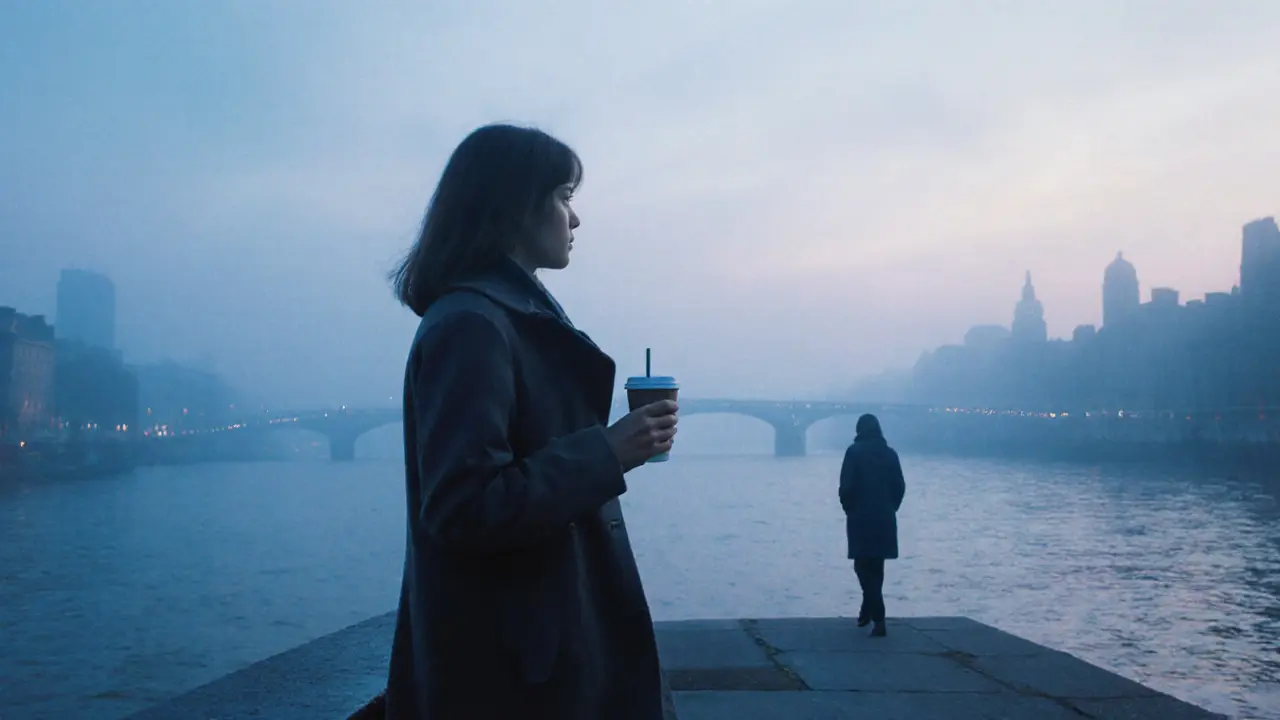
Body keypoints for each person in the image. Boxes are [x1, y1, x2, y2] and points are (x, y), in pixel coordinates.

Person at [381, 124, 679, 719]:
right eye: (565, 196)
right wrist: (608, 451)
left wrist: (610, 452)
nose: (576, 218)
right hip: (516, 675)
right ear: (517, 205)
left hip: (533, 652)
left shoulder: (501, 317)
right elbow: (464, 507)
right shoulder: (472, 326)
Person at [838, 413, 905, 637]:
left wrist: (849, 508)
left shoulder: (854, 452)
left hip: (861, 517)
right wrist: (891, 507)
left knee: (861, 565)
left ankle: (878, 617)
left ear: (859, 430)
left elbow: (846, 487)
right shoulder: (891, 454)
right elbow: (900, 486)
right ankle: (868, 608)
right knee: (877, 566)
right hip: (885, 517)